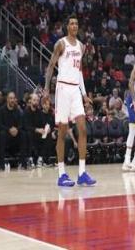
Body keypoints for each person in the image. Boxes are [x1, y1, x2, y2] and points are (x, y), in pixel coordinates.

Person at [44, 14, 96, 187]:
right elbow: (51, 66)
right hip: (63, 89)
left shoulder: (81, 46)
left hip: (75, 91)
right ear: (67, 26)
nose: (74, 26)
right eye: (71, 23)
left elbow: (79, 71)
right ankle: (61, 174)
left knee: (83, 129)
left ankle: (82, 173)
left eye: (76, 24)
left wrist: (84, 93)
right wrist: (46, 89)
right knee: (62, 132)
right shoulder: (61, 43)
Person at [0, 91, 26, 170]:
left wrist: (17, 129)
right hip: (6, 133)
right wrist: (9, 130)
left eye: (13, 98)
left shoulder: (18, 110)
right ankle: (2, 163)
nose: (12, 100)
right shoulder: (1, 110)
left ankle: (22, 162)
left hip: (15, 134)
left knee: (23, 134)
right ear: (7, 99)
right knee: (2, 134)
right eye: (10, 98)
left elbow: (21, 124)